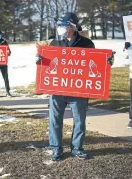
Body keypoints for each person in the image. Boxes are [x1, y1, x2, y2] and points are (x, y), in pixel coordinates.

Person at [36, 12, 114, 161]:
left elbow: (96, 64)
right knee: (55, 120)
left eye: (63, 25)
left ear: (72, 26)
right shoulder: (55, 43)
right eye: (60, 25)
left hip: (78, 91)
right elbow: (50, 65)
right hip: (58, 89)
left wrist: (108, 61)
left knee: (79, 120)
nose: (60, 28)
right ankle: (56, 149)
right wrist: (40, 61)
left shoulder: (87, 43)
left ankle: (77, 148)